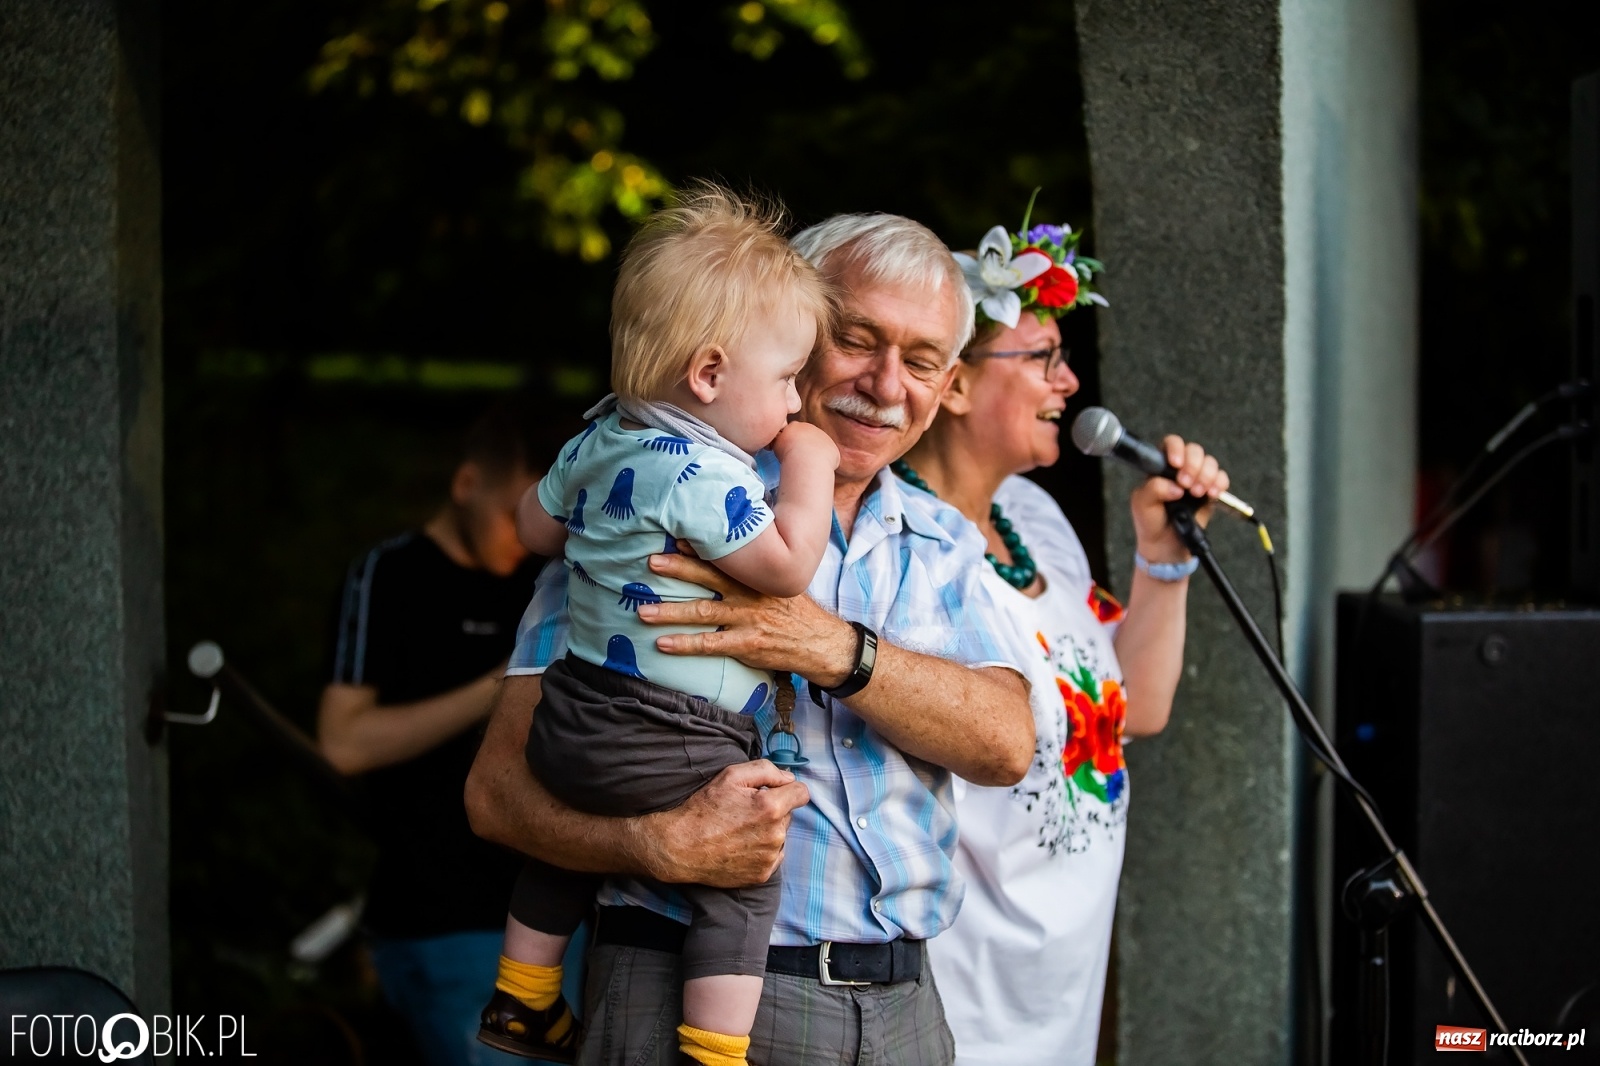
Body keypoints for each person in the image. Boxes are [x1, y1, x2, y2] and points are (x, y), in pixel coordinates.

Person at [464, 210, 1038, 1066]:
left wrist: (832, 648)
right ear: (784, 337)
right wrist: (651, 845)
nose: (886, 384)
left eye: (921, 361)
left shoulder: (941, 540)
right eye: (856, 340)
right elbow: (498, 794)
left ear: (947, 382)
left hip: (907, 1009)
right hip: (677, 983)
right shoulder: (653, 505)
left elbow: (1005, 744)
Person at [477, 185, 840, 1066]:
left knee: (568, 837)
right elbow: (788, 566)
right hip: (674, 734)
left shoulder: (596, 438)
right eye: (787, 379)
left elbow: (532, 531)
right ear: (709, 375)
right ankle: (713, 1051)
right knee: (746, 875)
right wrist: (812, 466)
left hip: (571, 719)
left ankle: (522, 996)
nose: (796, 403)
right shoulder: (703, 476)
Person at [898, 213, 1230, 1065]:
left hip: (1058, 991)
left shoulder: (1034, 517)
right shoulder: (903, 547)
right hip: (966, 999)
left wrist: (1164, 559)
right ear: (954, 386)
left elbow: (1134, 709)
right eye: (1042, 357)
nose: (1071, 381)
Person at [318, 399, 583, 1066]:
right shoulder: (390, 575)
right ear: (467, 484)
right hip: (440, 918)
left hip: (560, 911)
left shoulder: (550, 573)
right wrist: (505, 682)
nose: (527, 537)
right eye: (513, 516)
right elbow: (344, 742)